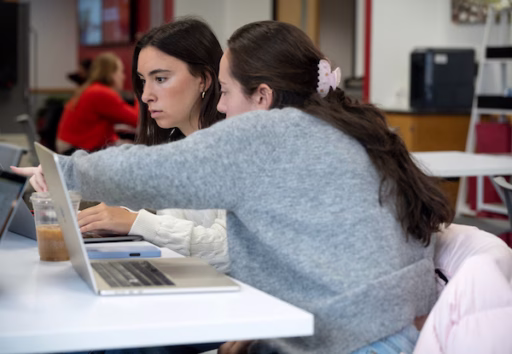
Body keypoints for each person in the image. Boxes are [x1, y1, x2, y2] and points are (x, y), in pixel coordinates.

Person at [14, 21, 453, 353]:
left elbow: (151, 173)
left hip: (345, 339)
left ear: (262, 96)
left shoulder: (273, 134)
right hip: (387, 331)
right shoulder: (340, 130)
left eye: (225, 92)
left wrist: (66, 170)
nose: (220, 107)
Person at [75, 19, 229, 272]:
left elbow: (227, 251)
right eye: (143, 80)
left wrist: (137, 223)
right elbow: (183, 236)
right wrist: (120, 226)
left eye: (160, 78)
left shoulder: (231, 152)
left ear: (203, 80)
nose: (146, 95)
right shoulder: (176, 147)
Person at [56, 52, 138, 154]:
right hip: (76, 151)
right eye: (121, 72)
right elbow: (138, 119)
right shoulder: (101, 93)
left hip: (72, 146)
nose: (124, 77)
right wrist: (139, 94)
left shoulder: (91, 89)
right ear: (111, 74)